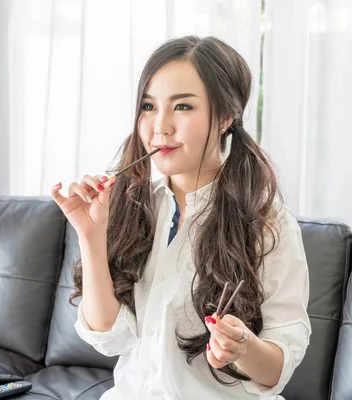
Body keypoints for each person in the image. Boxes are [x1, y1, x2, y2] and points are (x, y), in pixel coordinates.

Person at [50, 36, 311, 400]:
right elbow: (110, 336)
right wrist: (90, 236)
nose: (161, 127)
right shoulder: (128, 206)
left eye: (183, 107)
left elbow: (279, 366)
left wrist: (244, 348)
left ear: (224, 118)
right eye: (148, 106)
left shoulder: (267, 222)